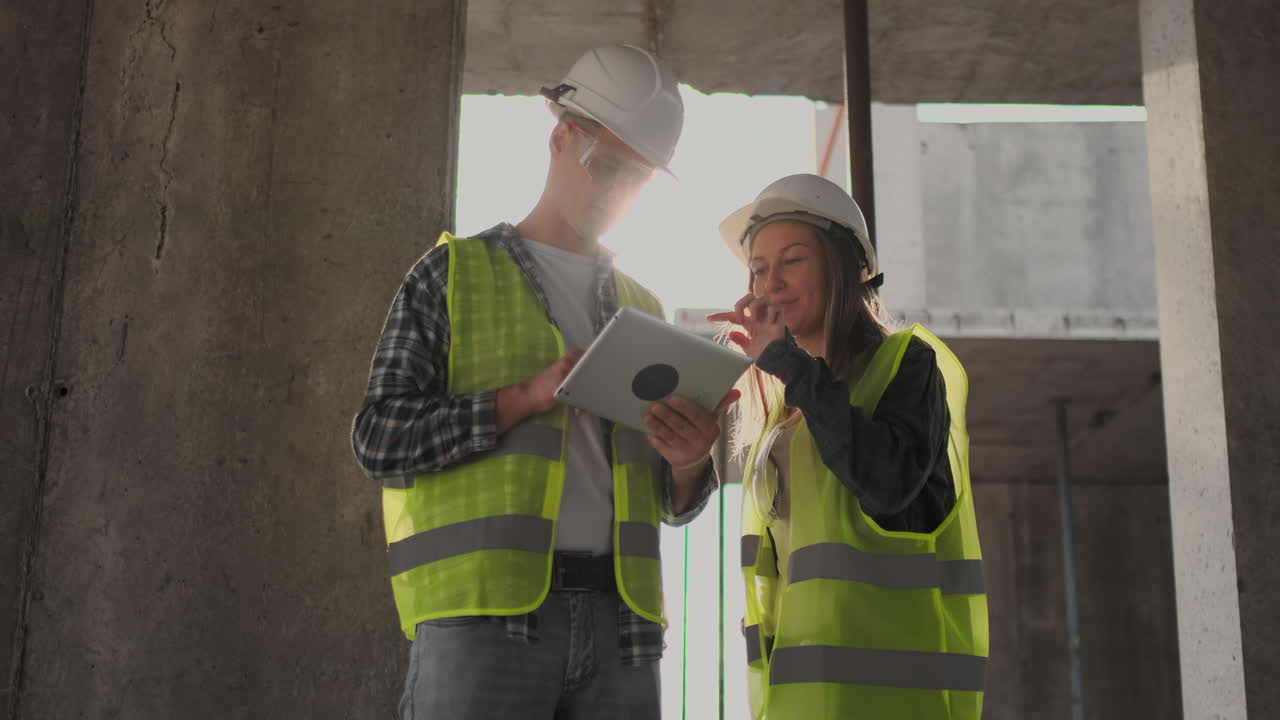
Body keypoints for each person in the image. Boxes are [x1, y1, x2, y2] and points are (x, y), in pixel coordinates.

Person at [351, 46, 736, 719]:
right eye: (608, 166)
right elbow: (379, 439)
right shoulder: (452, 276)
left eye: (637, 177)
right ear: (561, 137)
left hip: (623, 626)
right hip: (482, 620)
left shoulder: (645, 307)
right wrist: (519, 401)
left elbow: (673, 505)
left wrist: (688, 462)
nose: (618, 190)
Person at [708, 174, 989, 719]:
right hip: (800, 696)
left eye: (792, 260)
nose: (771, 283)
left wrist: (793, 368)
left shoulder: (905, 365)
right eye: (759, 269)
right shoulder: (782, 413)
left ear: (842, 267)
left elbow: (886, 485)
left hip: (895, 696)